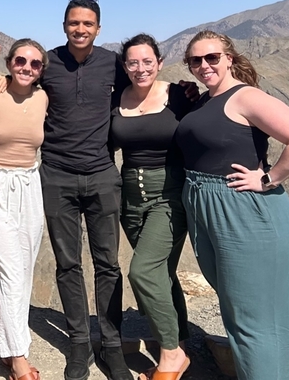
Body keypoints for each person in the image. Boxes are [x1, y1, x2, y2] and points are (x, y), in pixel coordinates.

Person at [174, 30, 289, 380]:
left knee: (257, 319)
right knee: (238, 311)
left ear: (229, 58)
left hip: (242, 209)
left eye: (212, 57)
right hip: (205, 204)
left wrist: (268, 179)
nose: (204, 65)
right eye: (196, 59)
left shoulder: (246, 97)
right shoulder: (207, 99)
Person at [38, 0, 133, 380]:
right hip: (57, 175)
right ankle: (79, 344)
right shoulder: (47, 62)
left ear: (98, 28)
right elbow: (10, 92)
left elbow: (145, 89)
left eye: (88, 24)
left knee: (108, 264)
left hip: (102, 175)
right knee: (67, 264)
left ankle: (111, 346)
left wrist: (184, 96)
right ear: (64, 25)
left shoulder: (113, 64)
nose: (80, 29)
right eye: (74, 23)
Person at [109, 34, 192, 380]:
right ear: (124, 66)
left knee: (142, 271)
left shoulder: (180, 95)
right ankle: (182, 341)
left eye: (147, 61)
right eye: (132, 62)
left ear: (159, 62)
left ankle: (172, 357)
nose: (140, 68)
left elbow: (214, 124)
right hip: (129, 196)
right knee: (162, 273)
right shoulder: (115, 100)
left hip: (169, 193)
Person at [0, 39, 49, 380]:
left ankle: (9, 349)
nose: (26, 67)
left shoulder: (44, 97)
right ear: (9, 62)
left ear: (41, 70)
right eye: (20, 60)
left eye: (35, 64)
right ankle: (19, 357)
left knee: (23, 269)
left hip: (30, 185)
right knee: (8, 270)